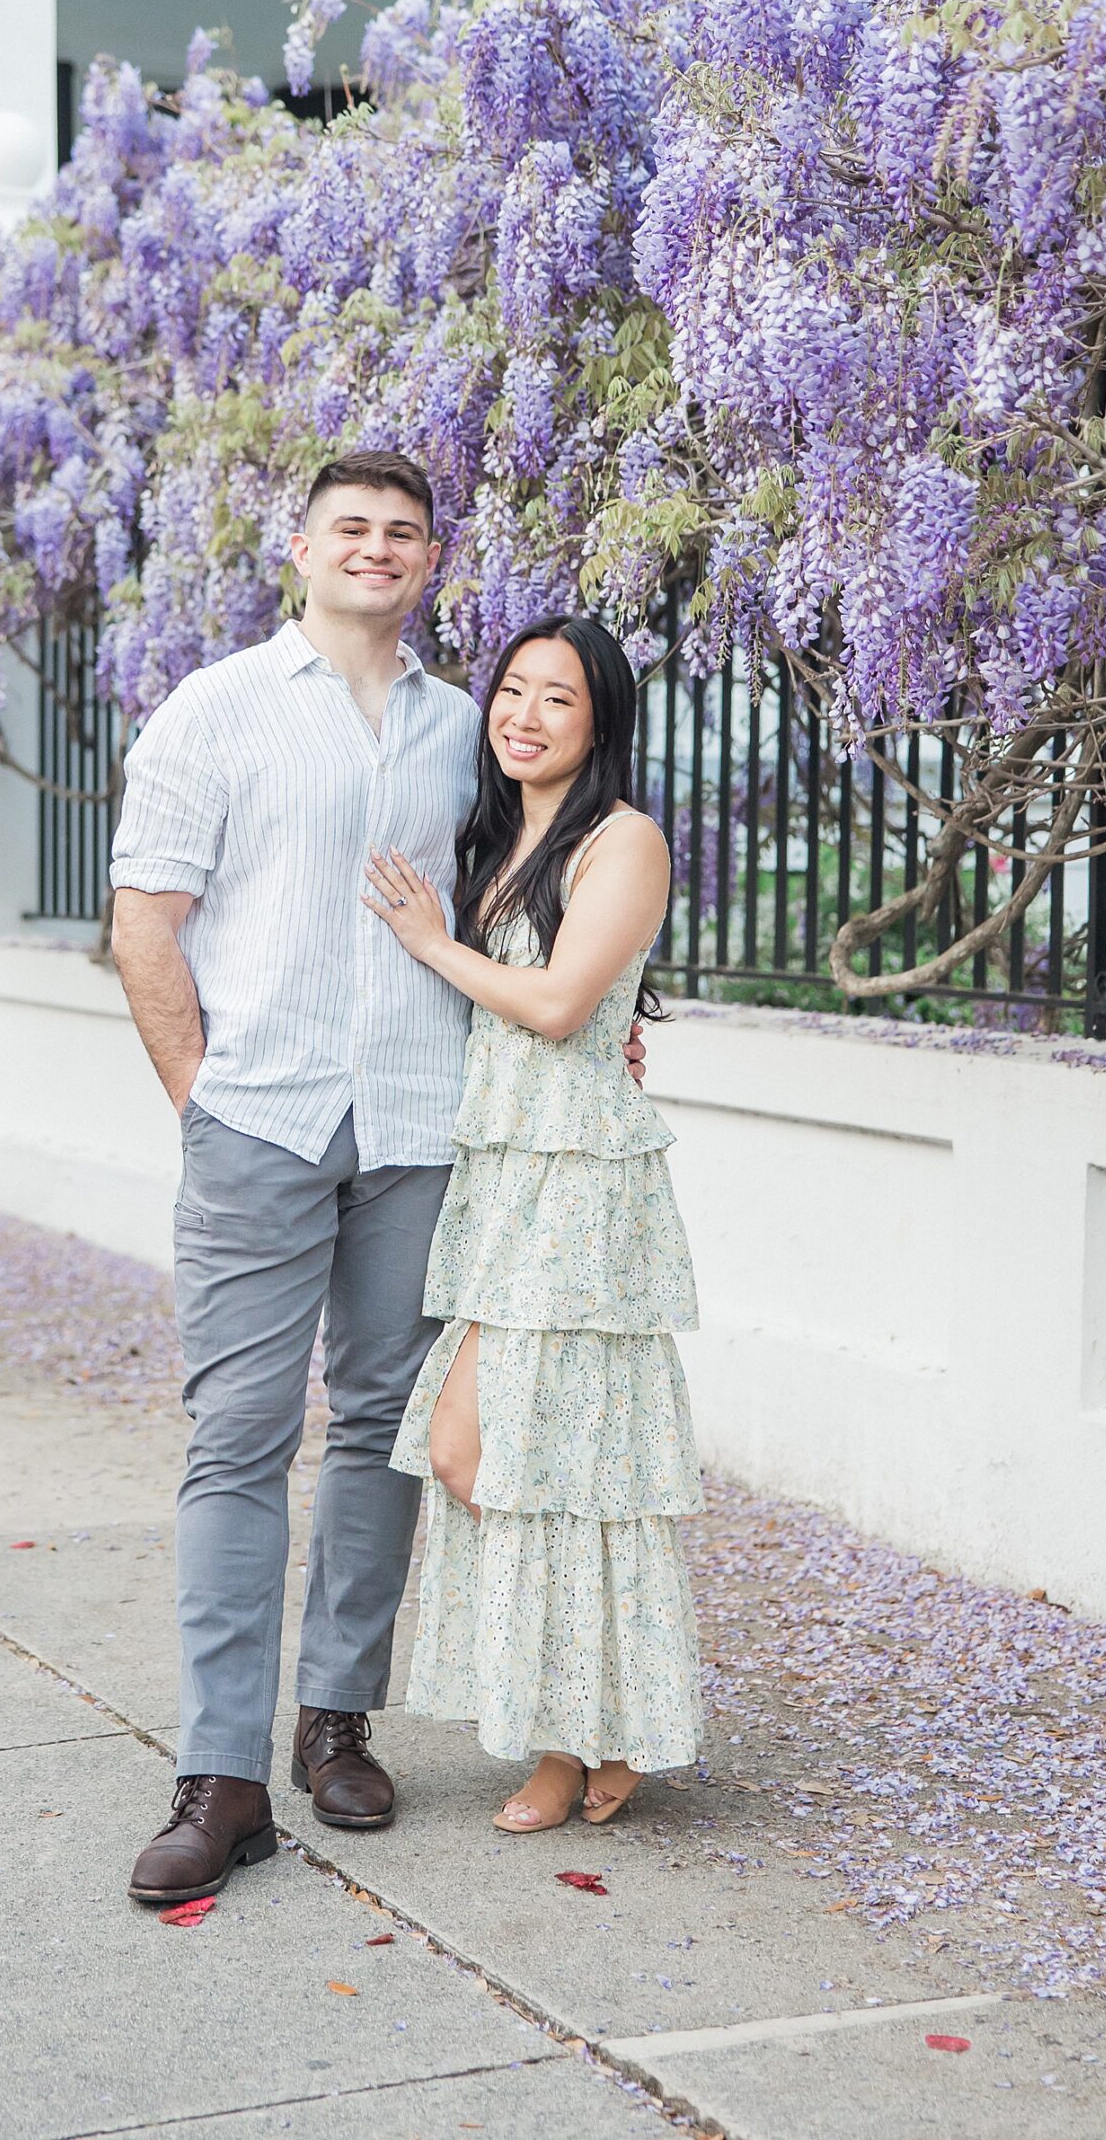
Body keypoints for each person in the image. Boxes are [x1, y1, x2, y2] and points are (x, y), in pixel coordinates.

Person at [108, 453, 645, 1906]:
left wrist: (609, 1012)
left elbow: (540, 879)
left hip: (418, 1124)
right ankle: (217, 1777)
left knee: (375, 1438)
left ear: (428, 562)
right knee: (233, 1438)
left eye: (402, 534)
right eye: (350, 527)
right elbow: (145, 919)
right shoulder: (215, 708)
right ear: (300, 546)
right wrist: (197, 1097)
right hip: (257, 1122)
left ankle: (334, 1721)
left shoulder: (467, 726)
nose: (376, 550)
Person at [364, 615, 702, 1831]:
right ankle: (593, 1721)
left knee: (520, 1452)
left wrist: (430, 942)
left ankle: (578, 1739)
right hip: (507, 1177)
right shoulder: (508, 837)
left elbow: (558, 1006)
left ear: (600, 722)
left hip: (579, 1183)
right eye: (511, 690)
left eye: (558, 699)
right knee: (495, 1452)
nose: (524, 715)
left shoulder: (626, 838)